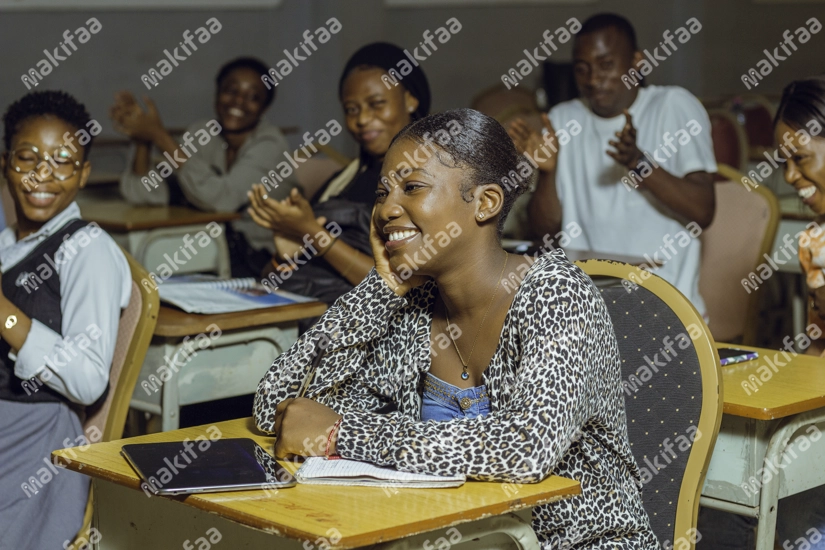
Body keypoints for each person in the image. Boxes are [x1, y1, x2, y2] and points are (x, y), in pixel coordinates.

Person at [254, 108, 658, 548]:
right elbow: (280, 409)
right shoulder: (417, 309)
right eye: (383, 192)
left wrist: (341, 433)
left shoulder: (558, 295)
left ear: (485, 202)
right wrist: (382, 287)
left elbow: (526, 447)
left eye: (412, 188)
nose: (387, 209)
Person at [508, 13, 716, 318]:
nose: (593, 80)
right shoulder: (563, 119)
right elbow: (545, 231)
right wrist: (549, 172)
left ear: (637, 62)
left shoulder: (673, 106)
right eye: (582, 69)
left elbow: (703, 210)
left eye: (606, 65)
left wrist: (637, 162)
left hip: (666, 308)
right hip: (586, 310)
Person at [0, 91, 131, 548]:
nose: (43, 173)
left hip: (32, 437)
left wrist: (6, 315)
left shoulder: (87, 249)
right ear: (5, 163)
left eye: (63, 160)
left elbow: (89, 378)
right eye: (27, 157)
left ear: (84, 174)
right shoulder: (7, 241)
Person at [248, 42, 430, 311]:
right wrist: (283, 257)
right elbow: (271, 282)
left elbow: (403, 287)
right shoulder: (344, 179)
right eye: (351, 109)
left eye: (377, 104)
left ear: (410, 99)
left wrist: (316, 235)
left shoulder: (427, 181)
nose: (363, 119)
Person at [111, 56, 299, 277]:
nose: (238, 102)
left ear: (264, 108)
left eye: (253, 97)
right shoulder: (202, 133)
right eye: (231, 90)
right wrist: (143, 139)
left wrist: (160, 137)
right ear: (217, 93)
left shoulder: (271, 144)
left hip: (264, 260)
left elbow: (223, 199)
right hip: (208, 248)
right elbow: (144, 193)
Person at [771, 74, 825, 550]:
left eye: (801, 159)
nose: (790, 177)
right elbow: (814, 353)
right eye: (783, 162)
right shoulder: (814, 241)